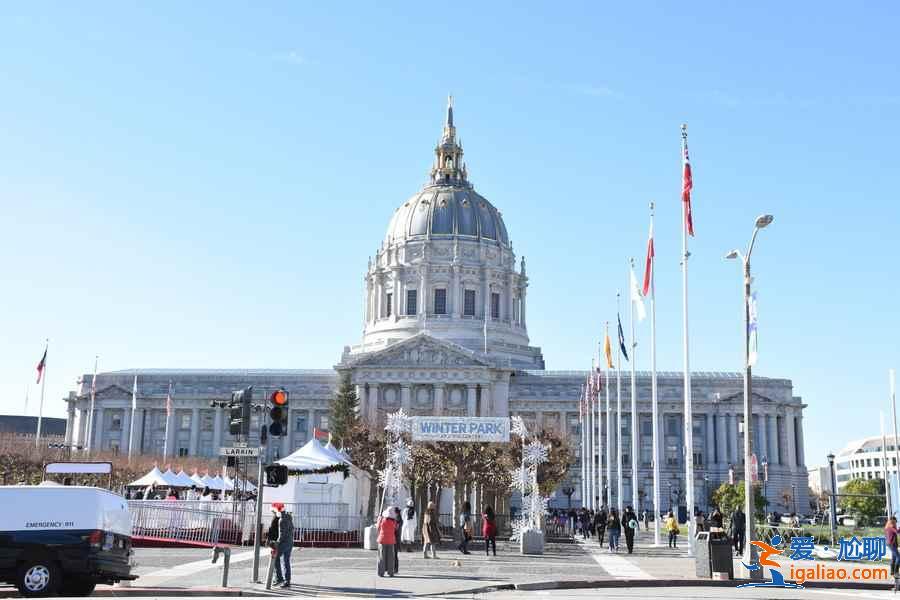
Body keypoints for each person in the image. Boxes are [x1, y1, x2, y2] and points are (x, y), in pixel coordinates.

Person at [272, 503, 294, 588]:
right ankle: (287, 581)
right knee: (286, 561)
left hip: (284, 543)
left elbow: (282, 534)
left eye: (274, 511)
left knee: (275, 558)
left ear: (278, 511)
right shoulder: (289, 517)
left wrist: (277, 543)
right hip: (290, 542)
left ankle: (279, 578)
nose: (274, 513)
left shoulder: (281, 520)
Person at [377, 507, 398, 577]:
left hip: (382, 539)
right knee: (391, 557)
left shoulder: (382, 520)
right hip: (391, 540)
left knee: (381, 557)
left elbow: (378, 528)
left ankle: (381, 572)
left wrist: (378, 520)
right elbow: (396, 528)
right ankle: (390, 572)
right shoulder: (394, 522)